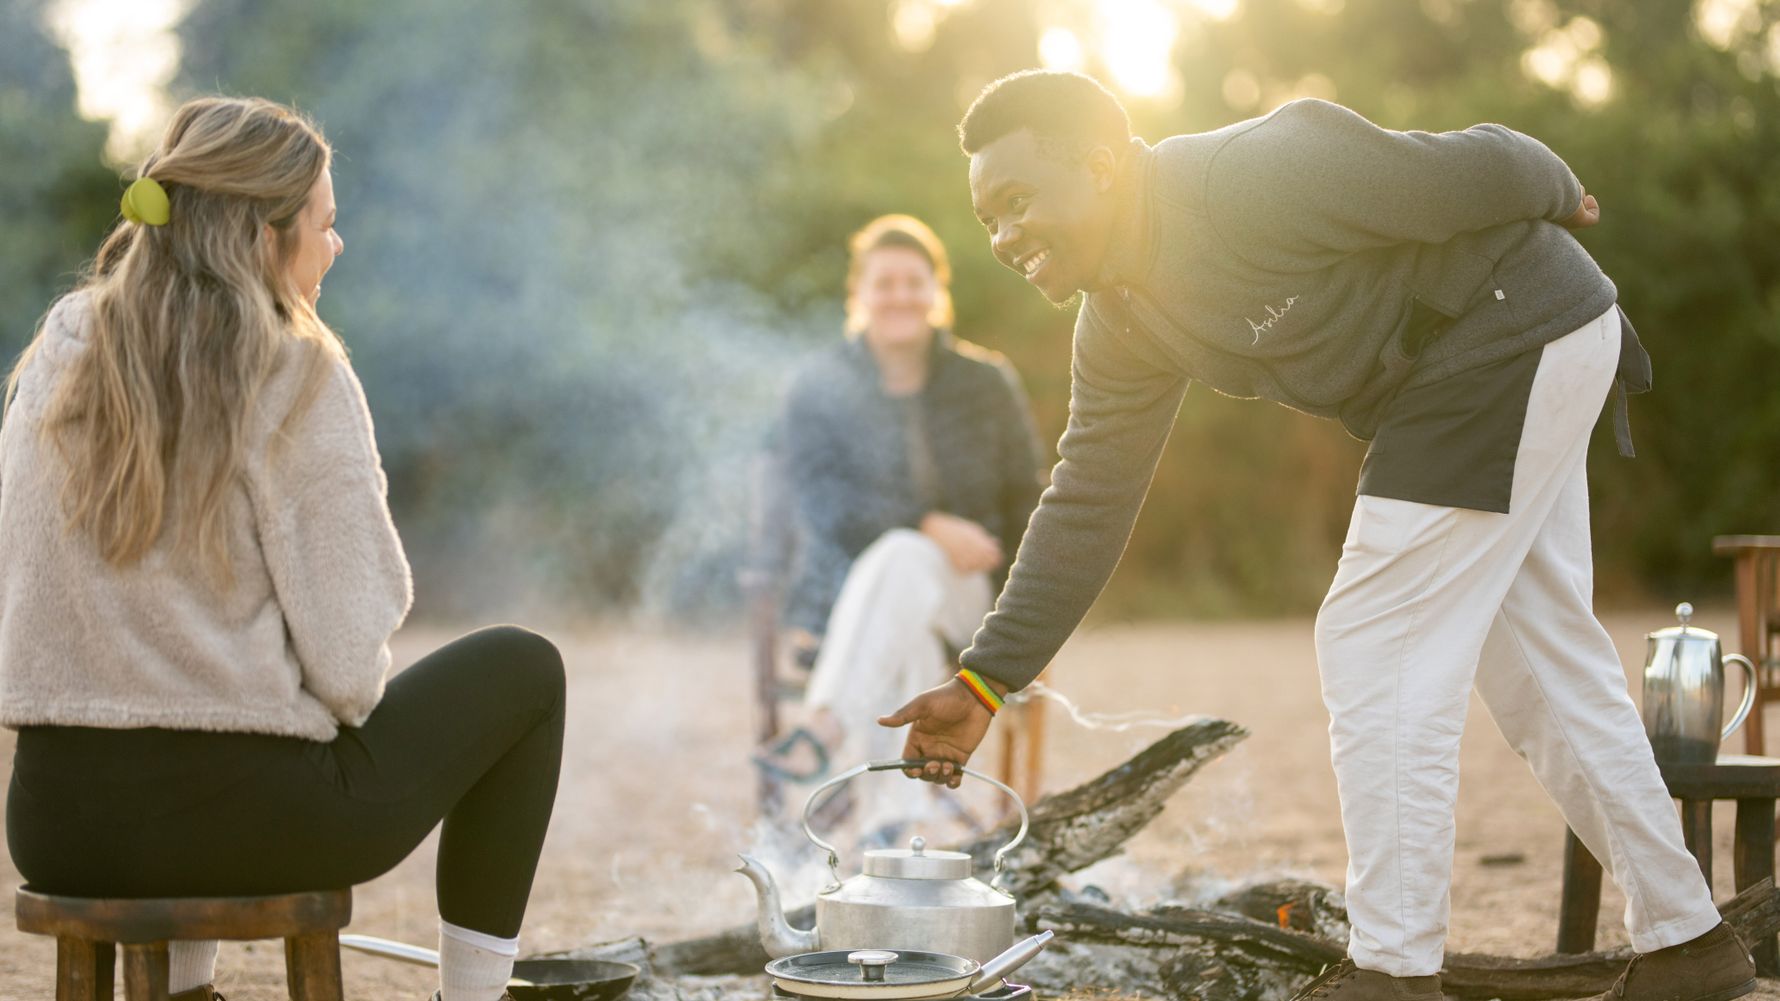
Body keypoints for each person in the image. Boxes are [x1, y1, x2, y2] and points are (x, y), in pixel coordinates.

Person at [877, 70, 1755, 1001]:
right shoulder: (1121, 320)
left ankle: (1392, 970)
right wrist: (985, 679)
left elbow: (1475, 165)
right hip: (1495, 363)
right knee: (1537, 666)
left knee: (1372, 635)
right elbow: (1087, 498)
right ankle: (1688, 945)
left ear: (1098, 167)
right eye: (989, 222)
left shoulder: (1249, 178)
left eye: (1018, 202)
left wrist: (1554, 185)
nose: (1008, 238)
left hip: (1509, 328)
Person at [0, 97, 563, 1001]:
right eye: (325, 225)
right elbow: (347, 671)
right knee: (526, 668)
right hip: (237, 821)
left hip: (57, 820)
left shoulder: (58, 354)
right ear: (264, 236)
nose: (335, 247)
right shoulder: (295, 367)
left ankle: (187, 992)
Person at [762, 214, 1042, 834]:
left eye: (914, 282)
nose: (900, 296)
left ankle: (826, 721)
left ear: (937, 292)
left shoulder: (986, 383)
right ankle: (897, 826)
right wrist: (927, 524)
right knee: (905, 575)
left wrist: (1025, 619)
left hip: (971, 605)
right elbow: (818, 500)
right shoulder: (820, 386)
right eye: (884, 282)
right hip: (845, 606)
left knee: (908, 561)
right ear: (858, 294)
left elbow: (1030, 497)